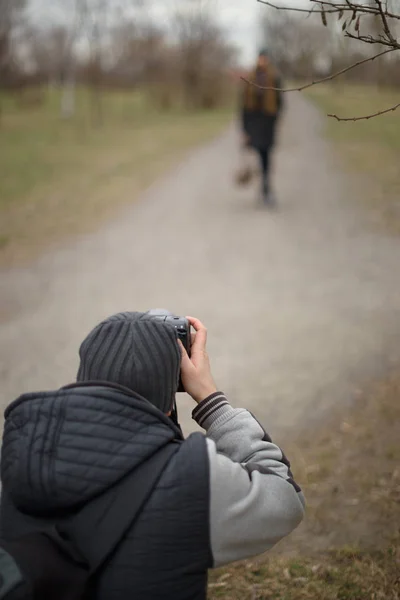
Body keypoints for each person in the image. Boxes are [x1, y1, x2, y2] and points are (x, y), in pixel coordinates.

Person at [0, 312, 305, 600]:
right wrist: (212, 402)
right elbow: (285, 500)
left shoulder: (20, 452)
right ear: (169, 403)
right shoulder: (191, 476)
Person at [241, 49, 283, 206]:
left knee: (266, 155)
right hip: (254, 122)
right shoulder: (250, 78)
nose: (262, 61)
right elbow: (243, 105)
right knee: (259, 154)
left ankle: (266, 187)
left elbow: (280, 102)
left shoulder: (274, 78)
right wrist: (245, 129)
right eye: (260, 59)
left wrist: (275, 119)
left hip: (267, 122)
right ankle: (264, 186)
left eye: (265, 59)